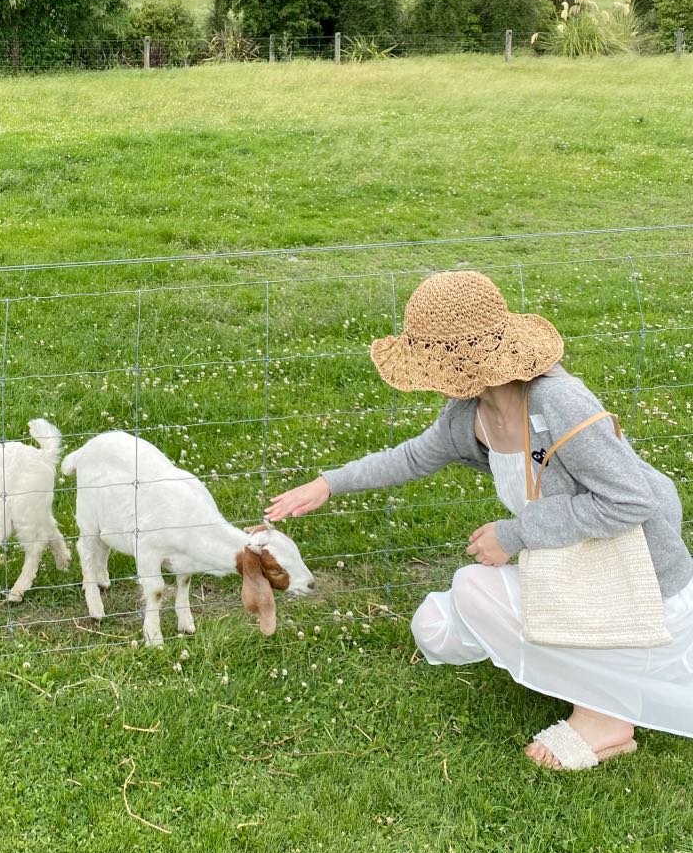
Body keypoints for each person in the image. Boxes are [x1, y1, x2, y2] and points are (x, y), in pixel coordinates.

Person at [266, 270, 693, 770]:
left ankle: (605, 718)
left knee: (472, 587)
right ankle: (578, 665)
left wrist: (512, 535)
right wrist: (327, 484)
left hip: (637, 581)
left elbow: (632, 501)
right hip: (573, 561)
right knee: (436, 628)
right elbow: (410, 458)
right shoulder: (469, 413)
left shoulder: (559, 402)